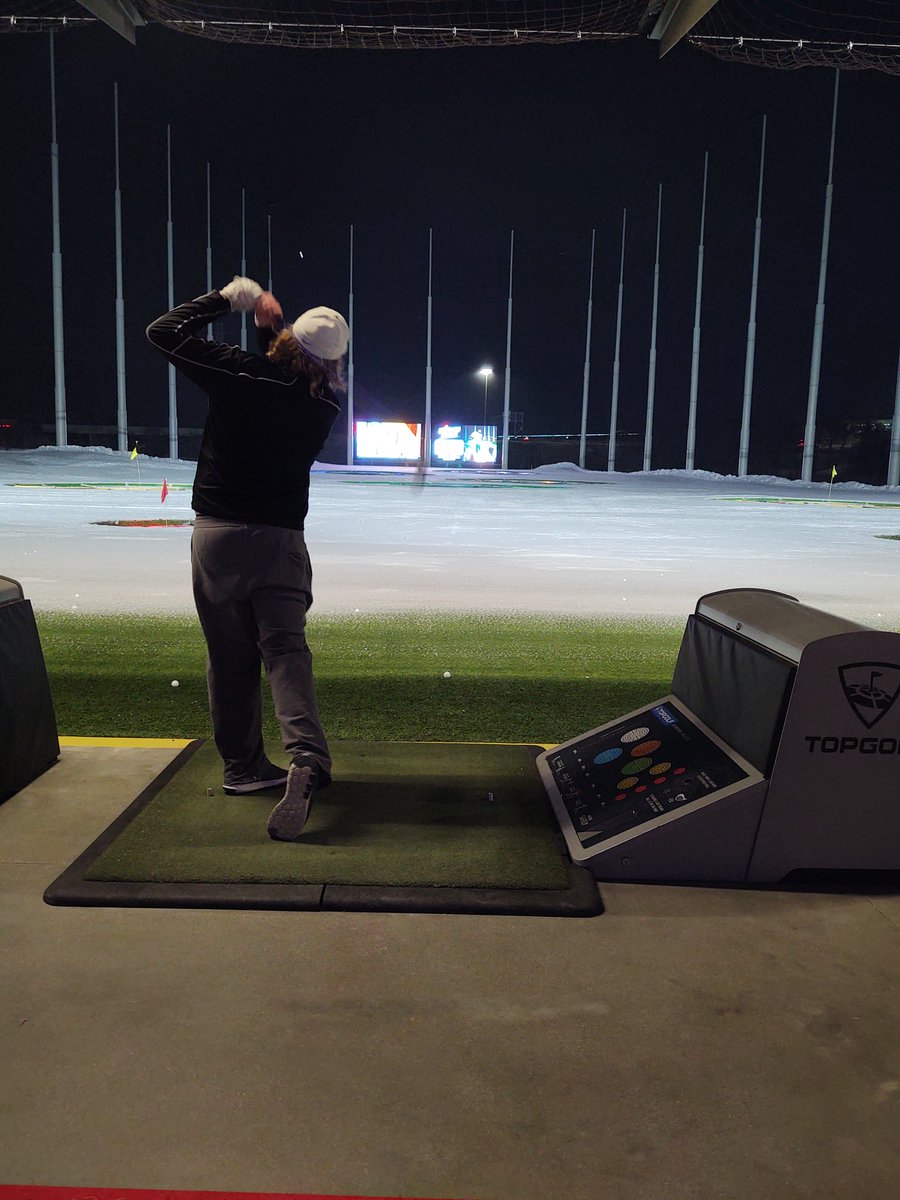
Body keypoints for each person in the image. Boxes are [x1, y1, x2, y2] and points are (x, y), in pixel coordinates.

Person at [146, 276, 349, 841]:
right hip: (279, 542)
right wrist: (276, 330)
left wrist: (230, 300)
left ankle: (242, 769)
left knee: (230, 656)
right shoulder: (323, 403)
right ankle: (306, 757)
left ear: (286, 343)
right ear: (335, 363)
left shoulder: (238, 373)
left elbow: (163, 332)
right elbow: (292, 371)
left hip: (217, 537)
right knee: (285, 653)